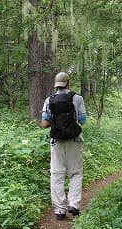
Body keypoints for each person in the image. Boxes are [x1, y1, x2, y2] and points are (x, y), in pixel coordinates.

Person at [41, 72, 87, 220]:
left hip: (57, 142)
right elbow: (82, 120)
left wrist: (55, 121)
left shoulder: (49, 100)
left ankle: (59, 210)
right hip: (74, 140)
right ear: (68, 83)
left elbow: (44, 123)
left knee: (56, 174)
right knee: (75, 173)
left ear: (56, 85)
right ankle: (73, 204)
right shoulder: (77, 98)